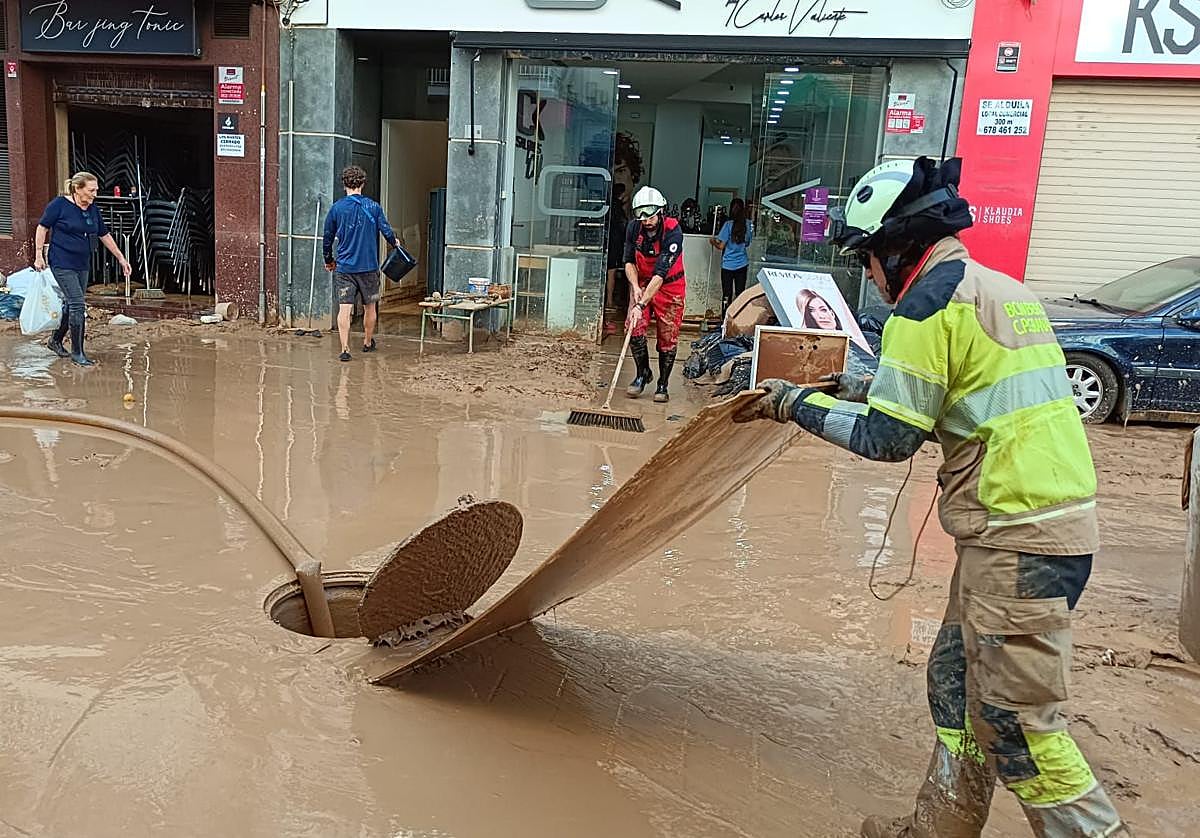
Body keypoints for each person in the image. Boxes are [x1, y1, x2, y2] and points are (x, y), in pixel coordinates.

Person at [736, 156, 1129, 838]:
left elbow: (890, 439)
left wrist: (794, 404)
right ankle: (939, 826)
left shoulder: (925, 309)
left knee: (1019, 727)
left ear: (897, 247)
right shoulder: (999, 290)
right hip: (1029, 530)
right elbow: (952, 390)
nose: (869, 276)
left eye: (868, 259)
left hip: (1020, 540)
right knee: (954, 682)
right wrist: (853, 385)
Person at [34, 172, 132, 367]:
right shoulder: (59, 205)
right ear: (78, 189)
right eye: (91, 190)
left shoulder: (92, 209)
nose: (95, 193)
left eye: (96, 190)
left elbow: (104, 234)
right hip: (61, 262)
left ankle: (55, 340)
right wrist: (38, 255)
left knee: (72, 304)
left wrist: (121, 258)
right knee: (78, 303)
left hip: (82, 263)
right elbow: (42, 227)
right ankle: (78, 353)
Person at [322, 165, 400, 363]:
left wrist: (329, 260)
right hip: (368, 268)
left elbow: (327, 238)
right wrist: (394, 242)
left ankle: (345, 348)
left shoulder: (337, 208)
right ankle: (367, 342)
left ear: (344, 185)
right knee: (370, 307)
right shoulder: (373, 207)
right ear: (363, 184)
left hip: (345, 268)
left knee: (344, 309)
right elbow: (387, 231)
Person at [624, 185, 686, 404]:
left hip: (669, 287)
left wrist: (641, 304)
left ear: (660, 211)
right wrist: (635, 287)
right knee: (634, 329)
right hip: (641, 282)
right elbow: (629, 261)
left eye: (650, 214)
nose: (646, 220)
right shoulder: (633, 228)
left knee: (667, 336)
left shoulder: (673, 232)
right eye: (640, 215)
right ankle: (643, 373)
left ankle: (663, 384)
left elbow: (661, 273)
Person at [709, 197, 753, 318]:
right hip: (742, 264)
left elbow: (721, 246)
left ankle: (725, 318)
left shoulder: (728, 225)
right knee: (740, 293)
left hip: (727, 265)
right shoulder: (748, 225)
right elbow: (748, 243)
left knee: (726, 294)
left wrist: (713, 242)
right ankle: (738, 318)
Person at [605, 183, 629, 336]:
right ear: (621, 195)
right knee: (611, 273)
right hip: (614, 244)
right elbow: (624, 228)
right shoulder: (618, 208)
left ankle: (606, 301)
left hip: (605, 242)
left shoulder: (605, 205)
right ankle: (609, 301)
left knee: (606, 273)